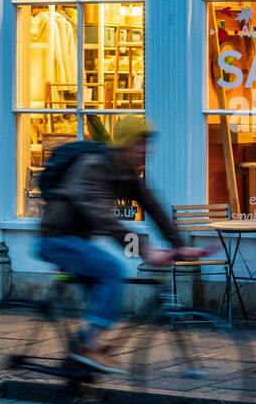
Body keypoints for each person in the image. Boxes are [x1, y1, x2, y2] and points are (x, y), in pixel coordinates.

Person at [38, 116, 208, 374]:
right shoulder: (93, 166)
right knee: (112, 270)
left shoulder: (126, 173)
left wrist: (179, 245)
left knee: (105, 300)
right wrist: (146, 250)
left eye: (149, 144)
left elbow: (153, 206)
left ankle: (79, 365)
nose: (146, 150)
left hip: (78, 242)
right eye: (141, 143)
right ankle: (88, 348)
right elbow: (103, 219)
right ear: (126, 144)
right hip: (57, 238)